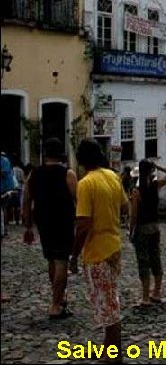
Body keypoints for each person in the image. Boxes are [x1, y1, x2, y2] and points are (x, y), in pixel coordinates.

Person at [69, 139, 129, 360]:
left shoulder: (86, 183)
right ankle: (109, 348)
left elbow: (83, 224)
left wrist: (74, 255)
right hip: (114, 246)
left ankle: (113, 353)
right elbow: (124, 205)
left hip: (97, 252)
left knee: (107, 304)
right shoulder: (112, 176)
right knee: (110, 298)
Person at [22, 138, 77, 318]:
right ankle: (56, 303)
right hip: (63, 220)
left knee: (52, 260)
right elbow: (78, 200)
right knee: (62, 261)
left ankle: (58, 298)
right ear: (61, 154)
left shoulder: (34, 175)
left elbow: (28, 200)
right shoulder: (68, 174)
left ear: (45, 154)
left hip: (44, 221)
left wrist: (28, 225)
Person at [129, 160, 166, 306]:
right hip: (155, 227)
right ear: (151, 172)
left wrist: (131, 231)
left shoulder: (137, 192)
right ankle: (156, 292)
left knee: (144, 262)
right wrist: (158, 166)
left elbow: (134, 215)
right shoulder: (155, 186)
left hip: (142, 228)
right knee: (155, 258)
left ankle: (145, 296)